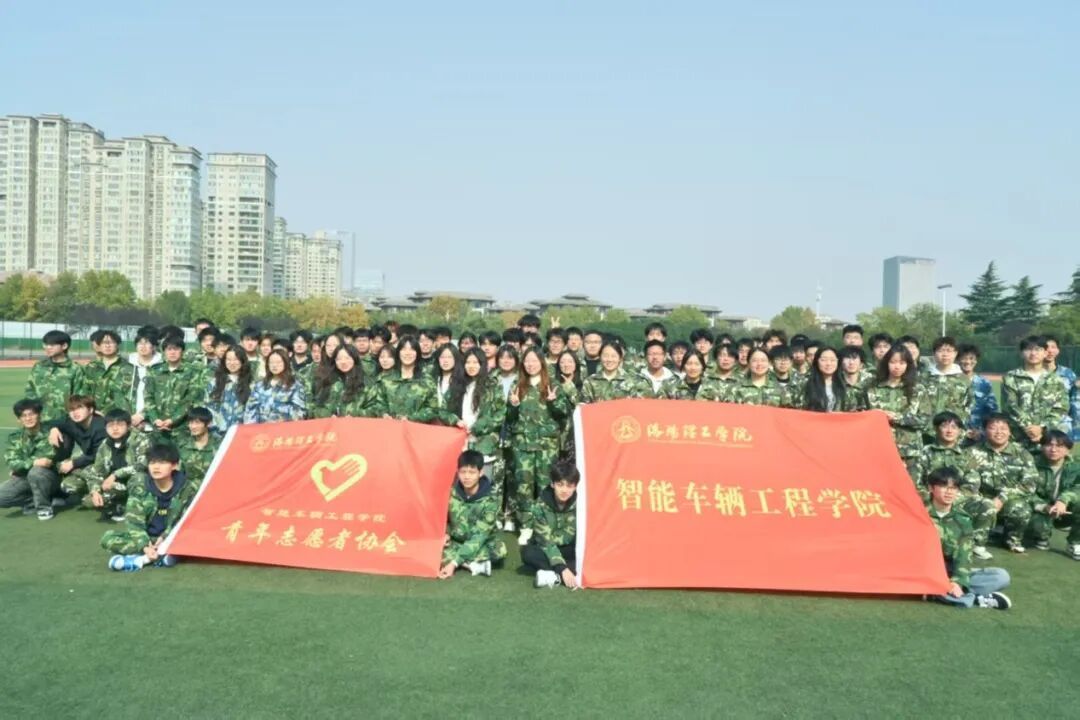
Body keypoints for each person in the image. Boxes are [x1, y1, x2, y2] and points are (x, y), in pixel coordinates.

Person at [506, 347, 572, 544]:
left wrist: (553, 402)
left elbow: (563, 414)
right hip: (523, 445)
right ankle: (526, 526)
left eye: (534, 360)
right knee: (523, 486)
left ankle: (544, 525)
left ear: (541, 363)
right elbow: (509, 418)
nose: (530, 364)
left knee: (546, 485)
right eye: (527, 361)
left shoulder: (552, 385)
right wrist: (513, 406)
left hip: (546, 446)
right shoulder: (517, 385)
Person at [924, 467, 1011, 611]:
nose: (949, 492)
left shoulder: (962, 519)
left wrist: (958, 581)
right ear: (931, 488)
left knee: (1001, 576)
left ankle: (948, 593)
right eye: (943, 486)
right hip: (925, 572)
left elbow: (964, 555)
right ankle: (974, 598)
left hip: (949, 572)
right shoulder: (918, 513)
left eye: (953, 488)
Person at [102, 444, 196, 571]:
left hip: (174, 536)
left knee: (196, 539)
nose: (156, 467)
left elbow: (185, 519)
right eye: (152, 463)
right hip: (149, 538)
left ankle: (143, 559)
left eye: (162, 463)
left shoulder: (187, 488)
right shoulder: (140, 487)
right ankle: (158, 556)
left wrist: (165, 537)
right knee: (108, 538)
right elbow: (133, 522)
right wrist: (145, 546)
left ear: (174, 465)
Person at [968, 413, 1039, 554]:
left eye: (1003, 428)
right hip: (980, 499)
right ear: (984, 430)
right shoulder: (972, 452)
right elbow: (967, 482)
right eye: (993, 428)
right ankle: (977, 542)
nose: (998, 432)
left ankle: (1012, 539)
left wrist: (1002, 497)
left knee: (1021, 509)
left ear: (1010, 432)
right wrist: (982, 500)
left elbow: (1029, 484)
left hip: (1008, 500)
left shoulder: (1022, 453)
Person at [438, 450, 506, 579]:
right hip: (456, 540)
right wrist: (445, 533)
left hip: (480, 542)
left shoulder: (491, 501)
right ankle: (472, 565)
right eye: (463, 472)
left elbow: (479, 537)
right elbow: (442, 519)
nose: (467, 477)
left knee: (498, 550)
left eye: (472, 472)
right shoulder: (451, 493)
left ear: (480, 473)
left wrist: (453, 563)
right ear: (457, 472)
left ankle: (462, 561)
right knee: (435, 547)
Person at [865, 344, 928, 481]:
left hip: (909, 452)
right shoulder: (872, 387)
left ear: (908, 365)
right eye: (893, 362)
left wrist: (896, 417)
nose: (897, 367)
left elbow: (924, 420)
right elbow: (861, 414)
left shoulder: (918, 389)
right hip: (879, 448)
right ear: (886, 363)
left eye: (902, 363)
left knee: (910, 488)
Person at [1001, 336, 1070, 452]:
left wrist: (1042, 428)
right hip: (1017, 439)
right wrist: (1030, 429)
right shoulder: (1011, 377)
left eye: (1038, 349)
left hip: (1046, 440)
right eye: (1028, 349)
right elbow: (1010, 406)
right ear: (1021, 353)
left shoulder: (1056, 380)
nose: (1033, 353)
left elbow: (1061, 408)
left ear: (1045, 353)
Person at [84, 408, 149, 522]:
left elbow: (142, 465)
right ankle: (119, 505)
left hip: (138, 481)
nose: (115, 429)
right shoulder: (104, 445)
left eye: (120, 424)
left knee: (139, 478)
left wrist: (115, 475)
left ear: (128, 426)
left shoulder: (140, 439)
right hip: (117, 484)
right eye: (110, 425)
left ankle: (137, 510)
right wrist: (95, 491)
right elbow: (96, 472)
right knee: (88, 501)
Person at [525, 460, 580, 589]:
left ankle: (552, 575)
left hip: (570, 549)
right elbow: (545, 541)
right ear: (552, 484)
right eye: (560, 485)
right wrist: (562, 568)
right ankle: (564, 572)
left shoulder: (581, 504)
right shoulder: (540, 505)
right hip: (546, 547)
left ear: (575, 486)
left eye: (569, 486)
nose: (564, 490)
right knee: (528, 553)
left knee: (588, 555)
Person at [0, 399, 57, 520]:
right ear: (19, 419)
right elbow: (12, 462)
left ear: (39, 415)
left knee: (36, 471)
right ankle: (32, 502)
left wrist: (22, 465)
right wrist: (32, 462)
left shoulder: (51, 434)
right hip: (26, 477)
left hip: (51, 477)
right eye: (23, 416)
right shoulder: (15, 437)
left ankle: (44, 508)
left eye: (31, 414)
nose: (28, 418)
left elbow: (46, 460)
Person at [1027, 430, 1079, 558]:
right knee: (1024, 513)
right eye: (1049, 445)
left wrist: (1063, 500)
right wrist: (1044, 507)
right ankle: (1040, 536)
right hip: (1041, 510)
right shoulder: (1031, 463)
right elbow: (1025, 491)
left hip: (1066, 510)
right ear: (1042, 447)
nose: (1053, 450)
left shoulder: (1076, 466)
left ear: (1068, 450)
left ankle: (1075, 543)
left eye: (1060, 446)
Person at [378, 336, 451, 423]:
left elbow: (433, 408)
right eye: (404, 349)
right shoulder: (386, 379)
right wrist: (384, 414)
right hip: (391, 427)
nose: (407, 353)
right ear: (398, 353)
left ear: (417, 353)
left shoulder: (427, 380)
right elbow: (379, 403)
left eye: (412, 349)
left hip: (416, 428)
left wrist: (413, 418)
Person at [50, 395, 108, 503]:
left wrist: (73, 463)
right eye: (72, 409)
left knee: (74, 475)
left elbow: (97, 454)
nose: (75, 412)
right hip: (89, 460)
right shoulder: (72, 422)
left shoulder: (100, 427)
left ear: (91, 410)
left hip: (107, 462)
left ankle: (103, 492)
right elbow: (52, 422)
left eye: (79, 408)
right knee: (67, 485)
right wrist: (54, 429)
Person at [144, 337, 205, 437]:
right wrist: (155, 419)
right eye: (169, 349)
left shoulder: (192, 371)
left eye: (176, 349)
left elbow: (190, 399)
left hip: (181, 428)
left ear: (182, 351)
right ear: (164, 352)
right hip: (157, 426)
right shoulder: (154, 371)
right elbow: (148, 396)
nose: (172, 352)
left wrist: (173, 420)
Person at [24, 330, 84, 424]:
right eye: (46, 344)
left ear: (64, 346)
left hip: (65, 421)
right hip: (39, 420)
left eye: (52, 345)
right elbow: (29, 390)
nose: (47, 348)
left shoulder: (75, 369)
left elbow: (79, 396)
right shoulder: (39, 366)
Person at [921, 337, 974, 441]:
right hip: (926, 432)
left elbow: (969, 405)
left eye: (949, 351)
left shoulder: (964, 379)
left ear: (955, 353)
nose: (945, 354)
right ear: (934, 353)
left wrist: (959, 425)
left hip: (953, 432)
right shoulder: (923, 378)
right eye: (940, 351)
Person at [243, 348, 307, 423]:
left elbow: (299, 412)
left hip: (284, 428)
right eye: (271, 362)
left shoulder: (294, 385)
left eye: (278, 362)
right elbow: (250, 409)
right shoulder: (260, 386)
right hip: (261, 428)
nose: (274, 365)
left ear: (285, 363)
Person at [81, 330, 136, 414]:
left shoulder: (129, 368)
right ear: (99, 346)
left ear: (117, 345)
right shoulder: (91, 367)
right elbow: (85, 391)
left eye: (111, 342)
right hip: (93, 414)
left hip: (117, 415)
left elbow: (128, 395)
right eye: (103, 343)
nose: (107, 345)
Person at [323, 345, 386, 418]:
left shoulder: (366, 382)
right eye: (339, 359)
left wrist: (355, 414)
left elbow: (374, 409)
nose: (343, 362)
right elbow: (320, 406)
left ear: (354, 359)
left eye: (347, 358)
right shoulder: (330, 381)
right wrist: (329, 414)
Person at [206, 345, 254, 434]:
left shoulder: (251, 384)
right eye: (228, 359)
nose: (232, 363)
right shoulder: (215, 382)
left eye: (236, 359)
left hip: (241, 433)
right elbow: (209, 407)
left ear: (242, 361)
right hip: (217, 433)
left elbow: (252, 411)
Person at [580, 342, 650, 402]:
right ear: (600, 357)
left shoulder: (633, 381)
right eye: (605, 356)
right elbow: (585, 407)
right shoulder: (590, 382)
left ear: (620, 358)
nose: (609, 360)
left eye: (613, 356)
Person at [957, 343, 998, 444]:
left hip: (978, 436)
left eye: (971, 359)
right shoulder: (950, 382)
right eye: (964, 358)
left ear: (976, 360)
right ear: (957, 359)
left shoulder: (984, 383)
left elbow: (992, 411)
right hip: (955, 434)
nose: (968, 362)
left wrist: (982, 431)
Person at [1044, 334, 1078, 441]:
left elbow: (1074, 401)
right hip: (1039, 425)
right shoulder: (1032, 374)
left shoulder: (1068, 373)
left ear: (1058, 351)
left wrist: (1075, 425)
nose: (1050, 351)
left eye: (1053, 347)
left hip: (1062, 424)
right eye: (1046, 347)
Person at [176, 407, 221, 489]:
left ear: (208, 423)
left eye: (197, 423)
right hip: (188, 492)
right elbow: (178, 473)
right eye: (190, 423)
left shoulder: (220, 445)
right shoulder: (183, 446)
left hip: (214, 489)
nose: (193, 427)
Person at [128, 326, 163, 431]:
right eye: (140, 343)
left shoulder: (161, 367)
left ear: (154, 346)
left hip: (154, 422)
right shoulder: (127, 366)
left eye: (147, 343)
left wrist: (143, 415)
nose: (143, 346)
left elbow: (161, 397)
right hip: (129, 421)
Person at [799, 347, 850, 412]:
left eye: (832, 360)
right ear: (816, 362)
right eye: (824, 360)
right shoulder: (804, 384)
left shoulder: (845, 385)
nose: (828, 364)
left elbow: (852, 411)